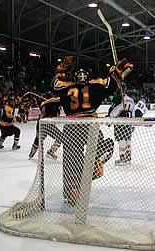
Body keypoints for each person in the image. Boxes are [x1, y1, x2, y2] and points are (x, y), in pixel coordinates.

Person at [52, 56, 133, 205]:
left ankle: (71, 192)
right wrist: (116, 72)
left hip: (72, 127)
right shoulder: (95, 85)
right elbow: (113, 83)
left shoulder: (67, 86)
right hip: (90, 126)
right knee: (106, 146)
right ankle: (95, 164)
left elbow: (55, 84)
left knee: (71, 160)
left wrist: (61, 69)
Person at [108, 84, 135, 165]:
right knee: (127, 139)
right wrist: (133, 123)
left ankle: (122, 157)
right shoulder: (131, 99)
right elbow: (133, 111)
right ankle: (128, 156)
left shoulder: (118, 98)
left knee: (121, 140)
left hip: (120, 122)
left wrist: (110, 117)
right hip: (129, 122)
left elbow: (115, 110)